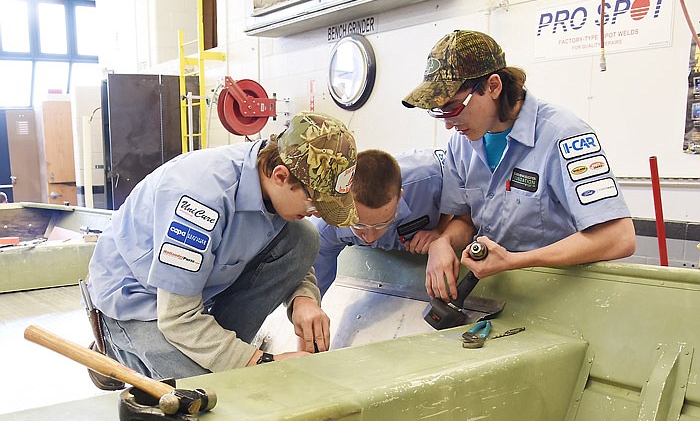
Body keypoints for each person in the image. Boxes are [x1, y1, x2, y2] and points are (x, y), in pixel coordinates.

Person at [85, 111, 357, 385]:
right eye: (314, 204)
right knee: (212, 389)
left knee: (304, 236)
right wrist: (261, 364)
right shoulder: (200, 201)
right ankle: (115, 347)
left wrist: (304, 299)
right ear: (280, 175)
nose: (317, 214)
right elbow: (177, 317)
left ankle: (217, 351)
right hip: (140, 302)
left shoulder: (270, 173)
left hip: (192, 296)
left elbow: (292, 250)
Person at [402, 30, 636, 303]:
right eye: (438, 112)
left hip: (561, 299)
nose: (448, 123)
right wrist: (442, 242)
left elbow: (619, 238)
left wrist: (515, 261)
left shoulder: (563, 135)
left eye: (453, 107)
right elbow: (466, 220)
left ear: (493, 86)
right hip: (497, 298)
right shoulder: (462, 144)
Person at [313, 148, 450, 297]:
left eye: (382, 224)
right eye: (359, 225)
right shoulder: (326, 225)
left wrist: (442, 232)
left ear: (399, 197)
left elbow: (468, 208)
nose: (370, 238)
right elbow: (312, 288)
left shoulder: (433, 178)